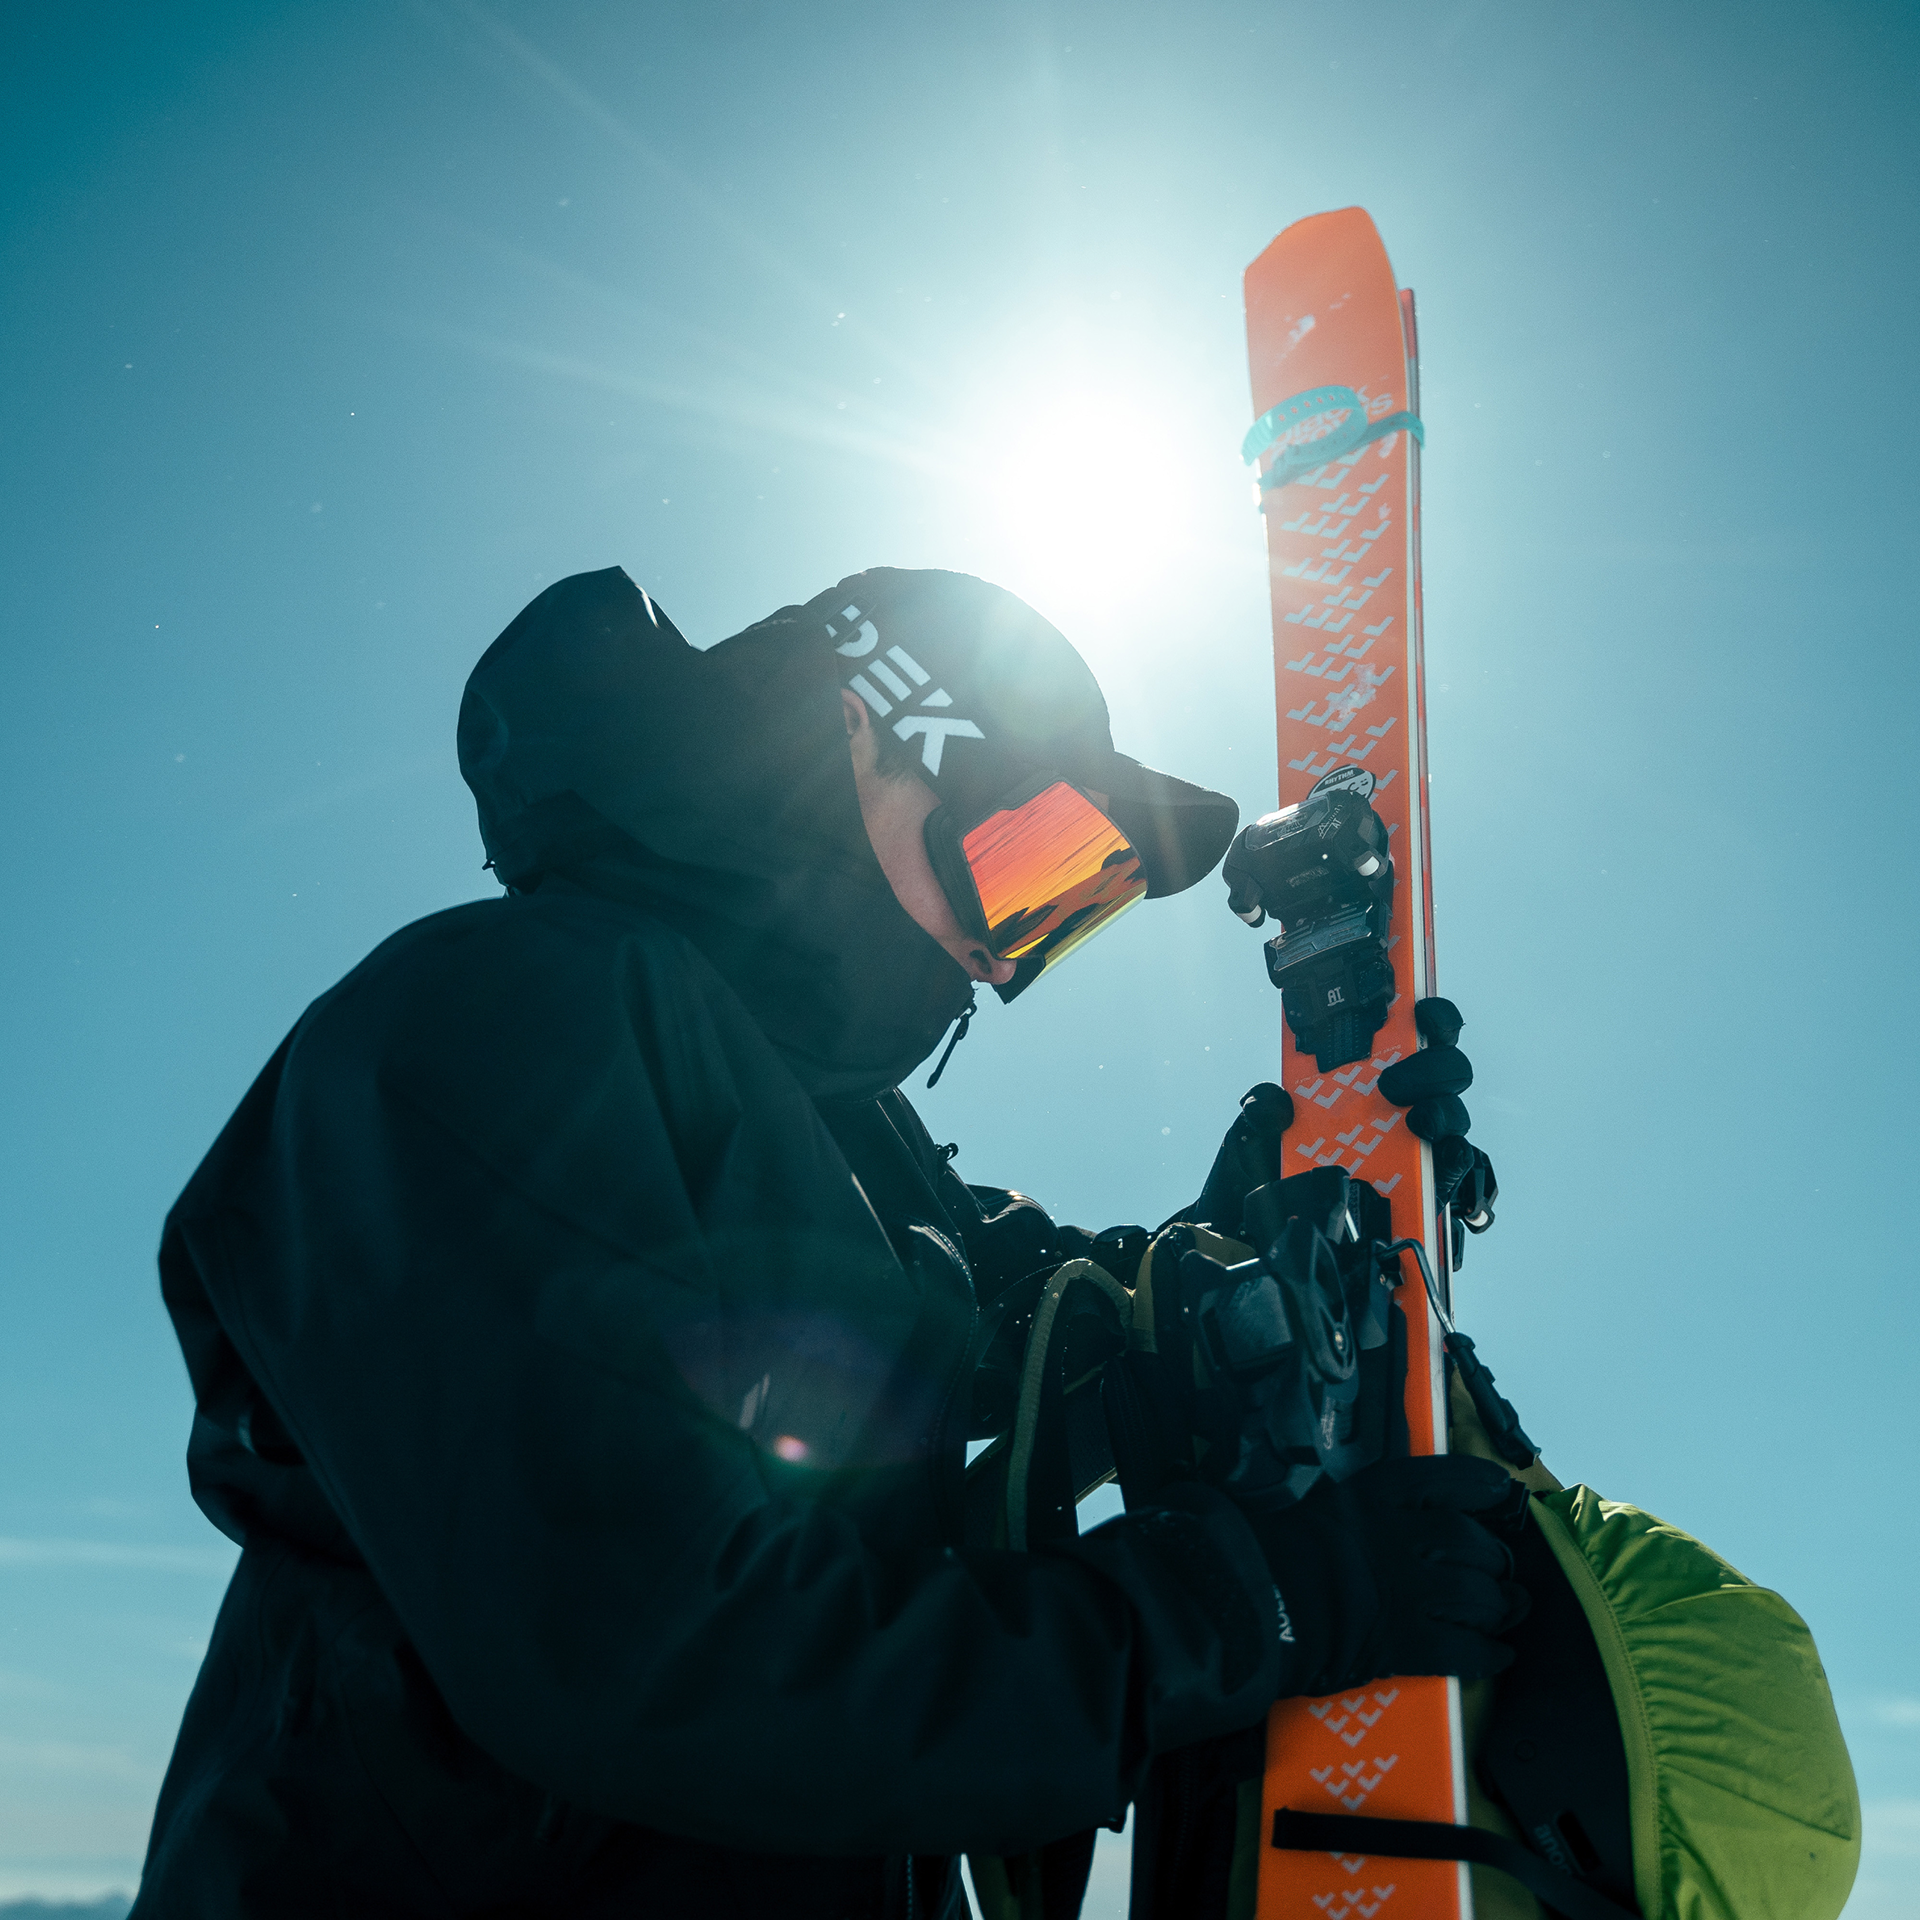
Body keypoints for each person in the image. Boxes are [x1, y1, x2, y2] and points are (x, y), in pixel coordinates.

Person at [132, 566, 1525, 1920]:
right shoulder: (496, 1025)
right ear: (855, 727)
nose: (1003, 961)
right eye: (1025, 868)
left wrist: (1251, 1228)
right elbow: (663, 1655)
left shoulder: (841, 1135)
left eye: (1071, 907)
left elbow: (1026, 1334)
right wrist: (1242, 1610)